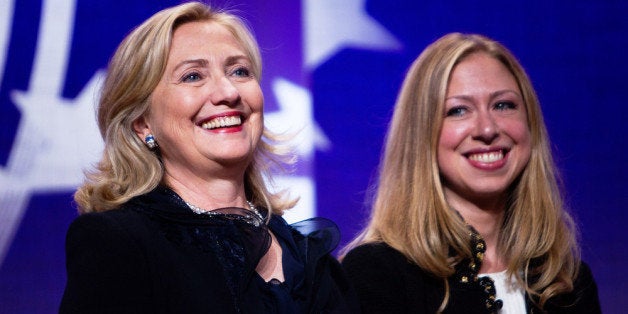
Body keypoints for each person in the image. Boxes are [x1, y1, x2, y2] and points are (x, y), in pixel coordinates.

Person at [59, 2, 357, 313]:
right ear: (143, 123)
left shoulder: (311, 259)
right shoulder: (119, 244)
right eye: (192, 76)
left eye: (239, 71)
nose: (228, 91)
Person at [340, 33, 601, 313]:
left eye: (503, 105)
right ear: (421, 134)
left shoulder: (567, 281)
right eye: (459, 110)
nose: (487, 129)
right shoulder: (376, 273)